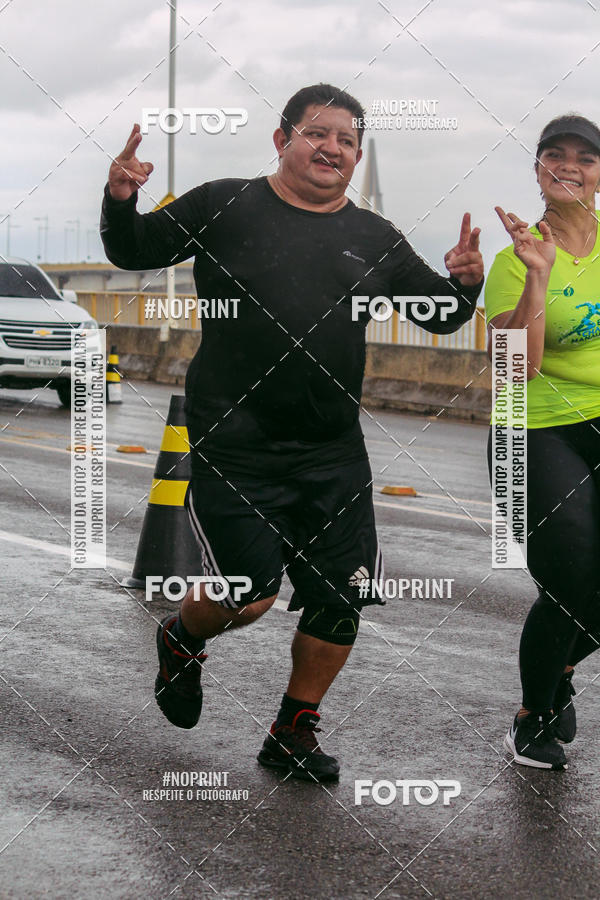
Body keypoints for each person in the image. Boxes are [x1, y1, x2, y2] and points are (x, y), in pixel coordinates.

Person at [101, 83, 483, 782]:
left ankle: (292, 731)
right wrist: (121, 197)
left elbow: (440, 318)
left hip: (332, 450)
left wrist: (465, 284)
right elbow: (133, 250)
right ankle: (183, 640)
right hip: (236, 441)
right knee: (251, 592)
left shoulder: (374, 237)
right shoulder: (223, 203)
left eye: (346, 139)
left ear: (357, 154)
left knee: (342, 596)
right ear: (282, 141)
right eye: (317, 132)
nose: (331, 147)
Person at [485, 114, 600, 770]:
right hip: (533, 429)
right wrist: (537, 274)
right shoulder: (512, 258)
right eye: (554, 156)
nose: (569, 166)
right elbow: (515, 365)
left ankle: (556, 671)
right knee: (574, 571)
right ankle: (532, 715)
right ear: (537, 171)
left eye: (585, 158)